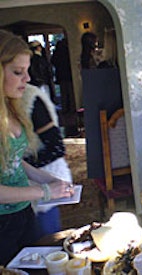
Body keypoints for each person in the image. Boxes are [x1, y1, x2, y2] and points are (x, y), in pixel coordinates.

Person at [0, 29, 74, 265]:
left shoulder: (12, 108)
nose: (28, 79)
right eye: (18, 72)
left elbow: (13, 160)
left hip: (23, 212)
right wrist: (45, 192)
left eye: (27, 71)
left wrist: (47, 179)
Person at [22, 83, 73, 239]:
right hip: (17, 193)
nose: (26, 78)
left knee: (45, 243)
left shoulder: (30, 99)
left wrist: (17, 166)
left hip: (41, 181)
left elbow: (56, 147)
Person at [51, 38, 75, 115]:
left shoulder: (57, 52)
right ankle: (72, 109)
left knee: (64, 94)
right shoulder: (69, 51)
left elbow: (53, 61)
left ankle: (64, 109)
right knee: (71, 93)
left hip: (61, 75)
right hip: (69, 74)